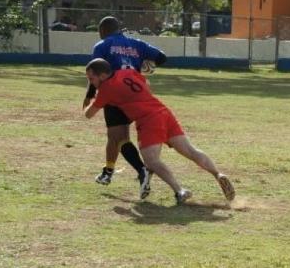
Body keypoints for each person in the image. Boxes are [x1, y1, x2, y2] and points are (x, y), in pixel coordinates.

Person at [83, 58, 236, 205]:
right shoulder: (128, 73)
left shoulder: (106, 89)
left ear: (102, 76)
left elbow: (89, 114)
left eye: (92, 79)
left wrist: (90, 102)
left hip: (148, 120)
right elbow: (146, 83)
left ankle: (179, 190)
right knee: (190, 150)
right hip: (162, 111)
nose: (91, 82)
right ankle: (218, 174)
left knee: (151, 161)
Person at [83, 16, 167, 199]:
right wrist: (146, 66)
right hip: (136, 94)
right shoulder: (136, 43)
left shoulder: (102, 45)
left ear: (103, 30)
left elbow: (95, 72)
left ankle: (142, 170)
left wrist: (89, 95)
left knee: (118, 137)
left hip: (114, 94)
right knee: (116, 137)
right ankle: (108, 171)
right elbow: (162, 57)